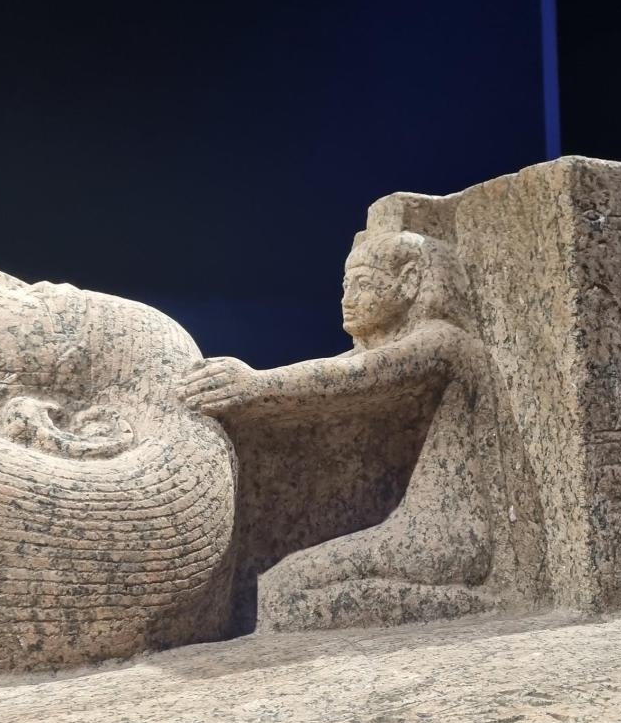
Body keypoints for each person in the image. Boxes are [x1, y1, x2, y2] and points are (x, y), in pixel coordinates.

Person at [180, 230, 503, 630]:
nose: (348, 298)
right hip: (408, 526)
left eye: (363, 284)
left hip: (446, 535)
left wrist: (257, 383)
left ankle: (481, 606)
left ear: (408, 284)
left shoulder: (443, 341)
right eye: (346, 286)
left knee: (286, 590)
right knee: (280, 588)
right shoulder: (387, 346)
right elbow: (341, 370)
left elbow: (358, 374)